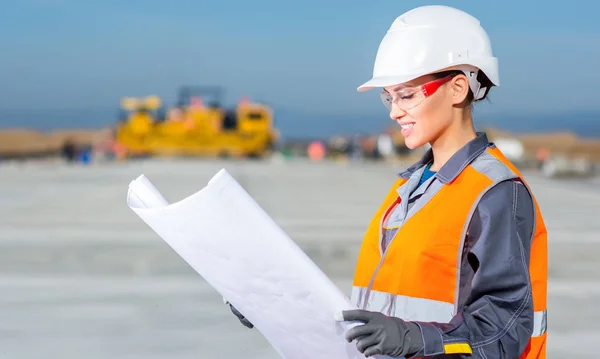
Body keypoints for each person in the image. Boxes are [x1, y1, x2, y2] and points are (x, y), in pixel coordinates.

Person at [228, 5, 548, 359]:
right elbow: (384, 309)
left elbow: (505, 331)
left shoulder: (495, 192)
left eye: (407, 95)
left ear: (458, 89)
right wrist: (277, 304)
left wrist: (412, 338)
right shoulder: (413, 189)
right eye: (389, 97)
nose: (394, 111)